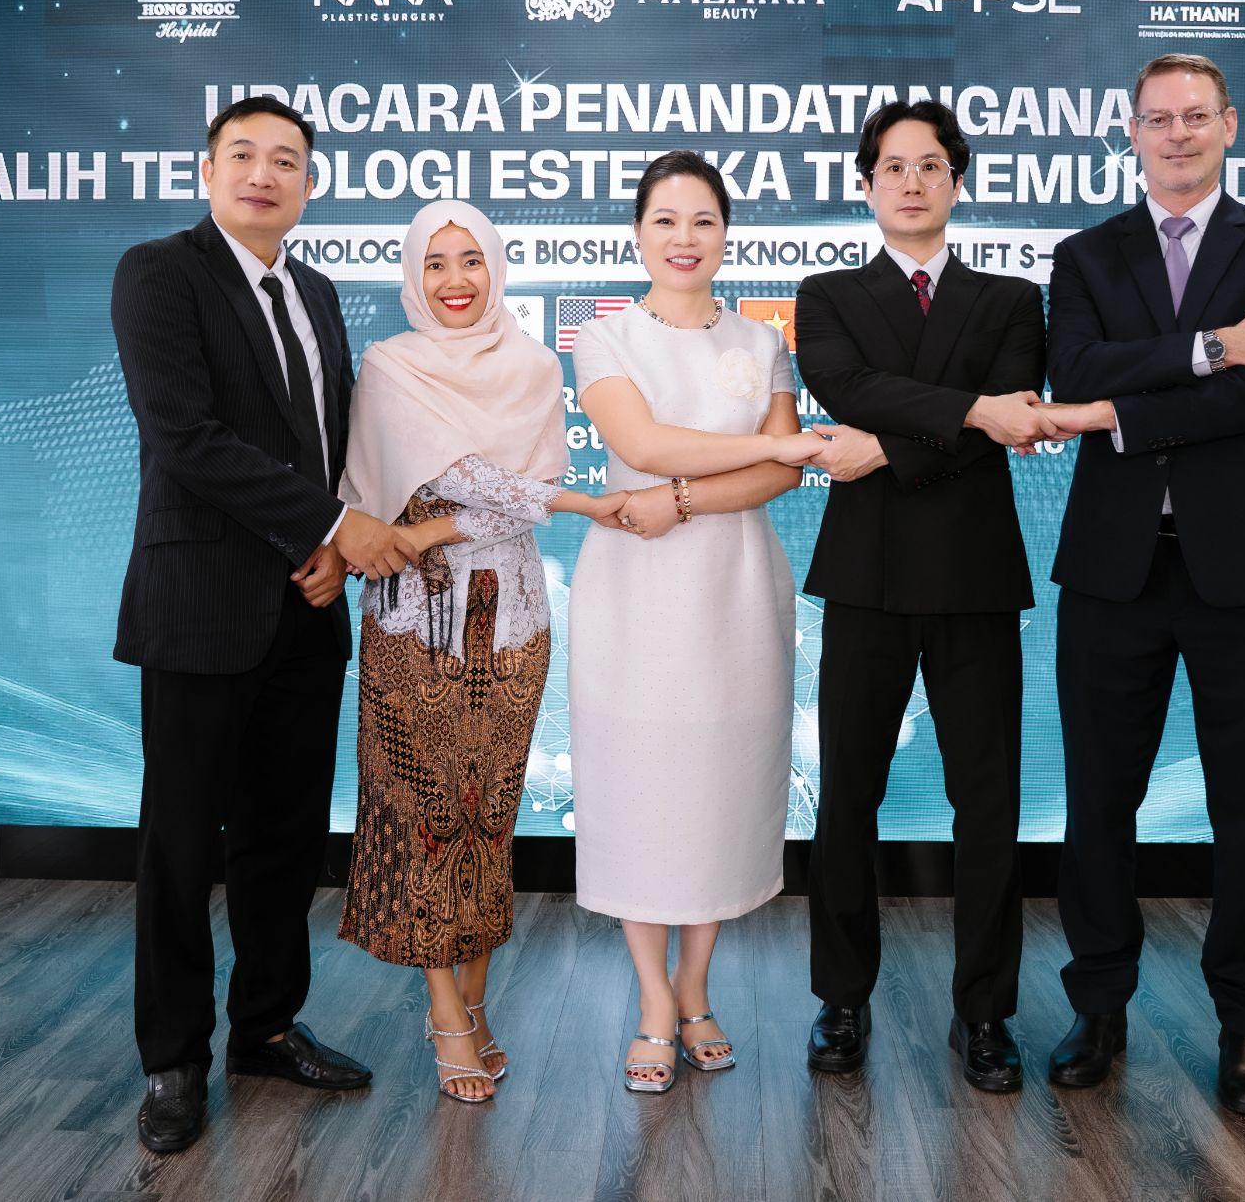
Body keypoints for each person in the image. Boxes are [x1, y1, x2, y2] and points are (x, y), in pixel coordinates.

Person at [110, 95, 420, 1154]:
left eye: (286, 160)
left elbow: (320, 444)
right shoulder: (160, 273)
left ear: (309, 184)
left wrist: (330, 541)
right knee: (180, 842)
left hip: (305, 603)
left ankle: (267, 1028)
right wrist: (333, 524)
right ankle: (173, 1060)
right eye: (242, 154)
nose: (262, 173)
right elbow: (186, 437)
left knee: (284, 837)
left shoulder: (316, 292)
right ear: (207, 171)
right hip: (201, 603)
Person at [1038, 53, 1245, 1118]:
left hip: (1243, 570)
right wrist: (1213, 345)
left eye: (1195, 116)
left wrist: (1111, 410)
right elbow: (1074, 370)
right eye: (1157, 119)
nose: (1177, 134)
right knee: (1097, 803)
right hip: (1112, 569)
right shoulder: (1084, 254)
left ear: (1229, 125)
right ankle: (1098, 1007)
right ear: (1131, 131)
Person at [335, 200, 625, 1104]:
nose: (455, 280)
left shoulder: (533, 364)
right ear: (413, 276)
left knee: (488, 818)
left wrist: (435, 527)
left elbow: (513, 490)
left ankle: (476, 999)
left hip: (512, 624)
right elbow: (460, 481)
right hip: (410, 625)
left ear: (496, 268)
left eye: (471, 260)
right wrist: (560, 504)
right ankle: (445, 1012)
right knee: (426, 816)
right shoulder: (390, 366)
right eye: (436, 263)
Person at [793, 100, 1050, 1094]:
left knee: (987, 803)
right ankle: (840, 998)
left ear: (956, 181)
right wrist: (971, 411)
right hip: (866, 578)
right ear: (866, 185)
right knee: (846, 799)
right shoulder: (826, 294)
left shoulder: (1011, 299)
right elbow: (846, 388)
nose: (911, 182)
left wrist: (896, 446)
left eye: (930, 165)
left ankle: (985, 1011)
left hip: (975, 579)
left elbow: (1008, 420)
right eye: (893, 166)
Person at [567, 150, 822, 1094]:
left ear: (726, 234)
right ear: (638, 232)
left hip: (735, 587)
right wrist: (764, 443)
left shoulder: (763, 341)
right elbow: (639, 441)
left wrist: (680, 495)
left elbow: (782, 473)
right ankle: (651, 999)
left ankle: (696, 986)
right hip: (633, 590)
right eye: (666, 220)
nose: (685, 238)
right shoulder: (605, 337)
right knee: (640, 787)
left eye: (703, 220)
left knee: (719, 786)